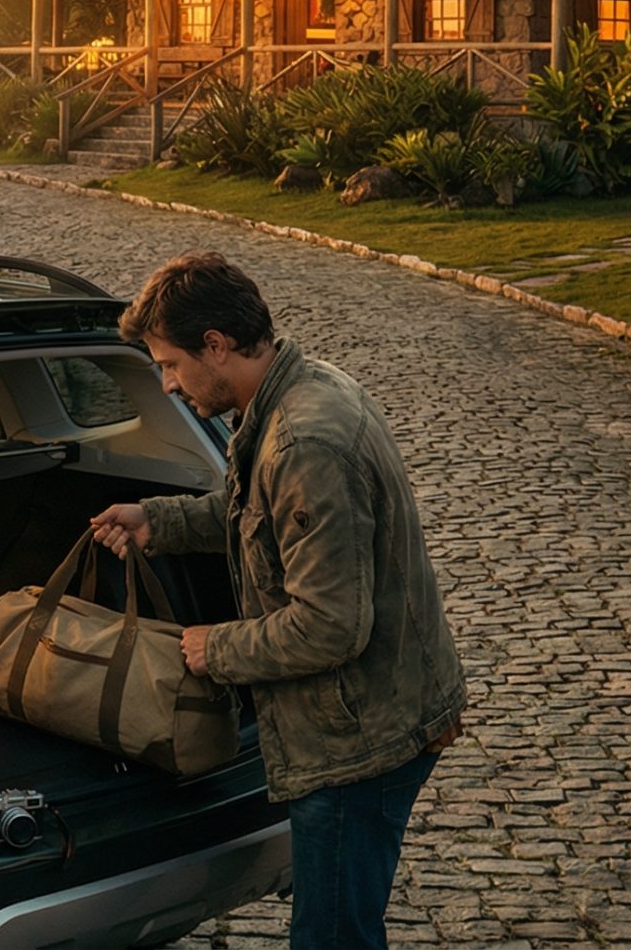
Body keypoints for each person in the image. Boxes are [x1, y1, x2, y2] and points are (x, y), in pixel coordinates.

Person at [89, 252, 464, 950]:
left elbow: (329, 626)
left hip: (359, 743)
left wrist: (215, 648)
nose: (167, 386)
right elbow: (252, 514)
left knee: (331, 937)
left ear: (217, 345)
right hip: (370, 714)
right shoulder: (297, 391)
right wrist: (158, 521)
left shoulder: (305, 441)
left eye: (169, 365)